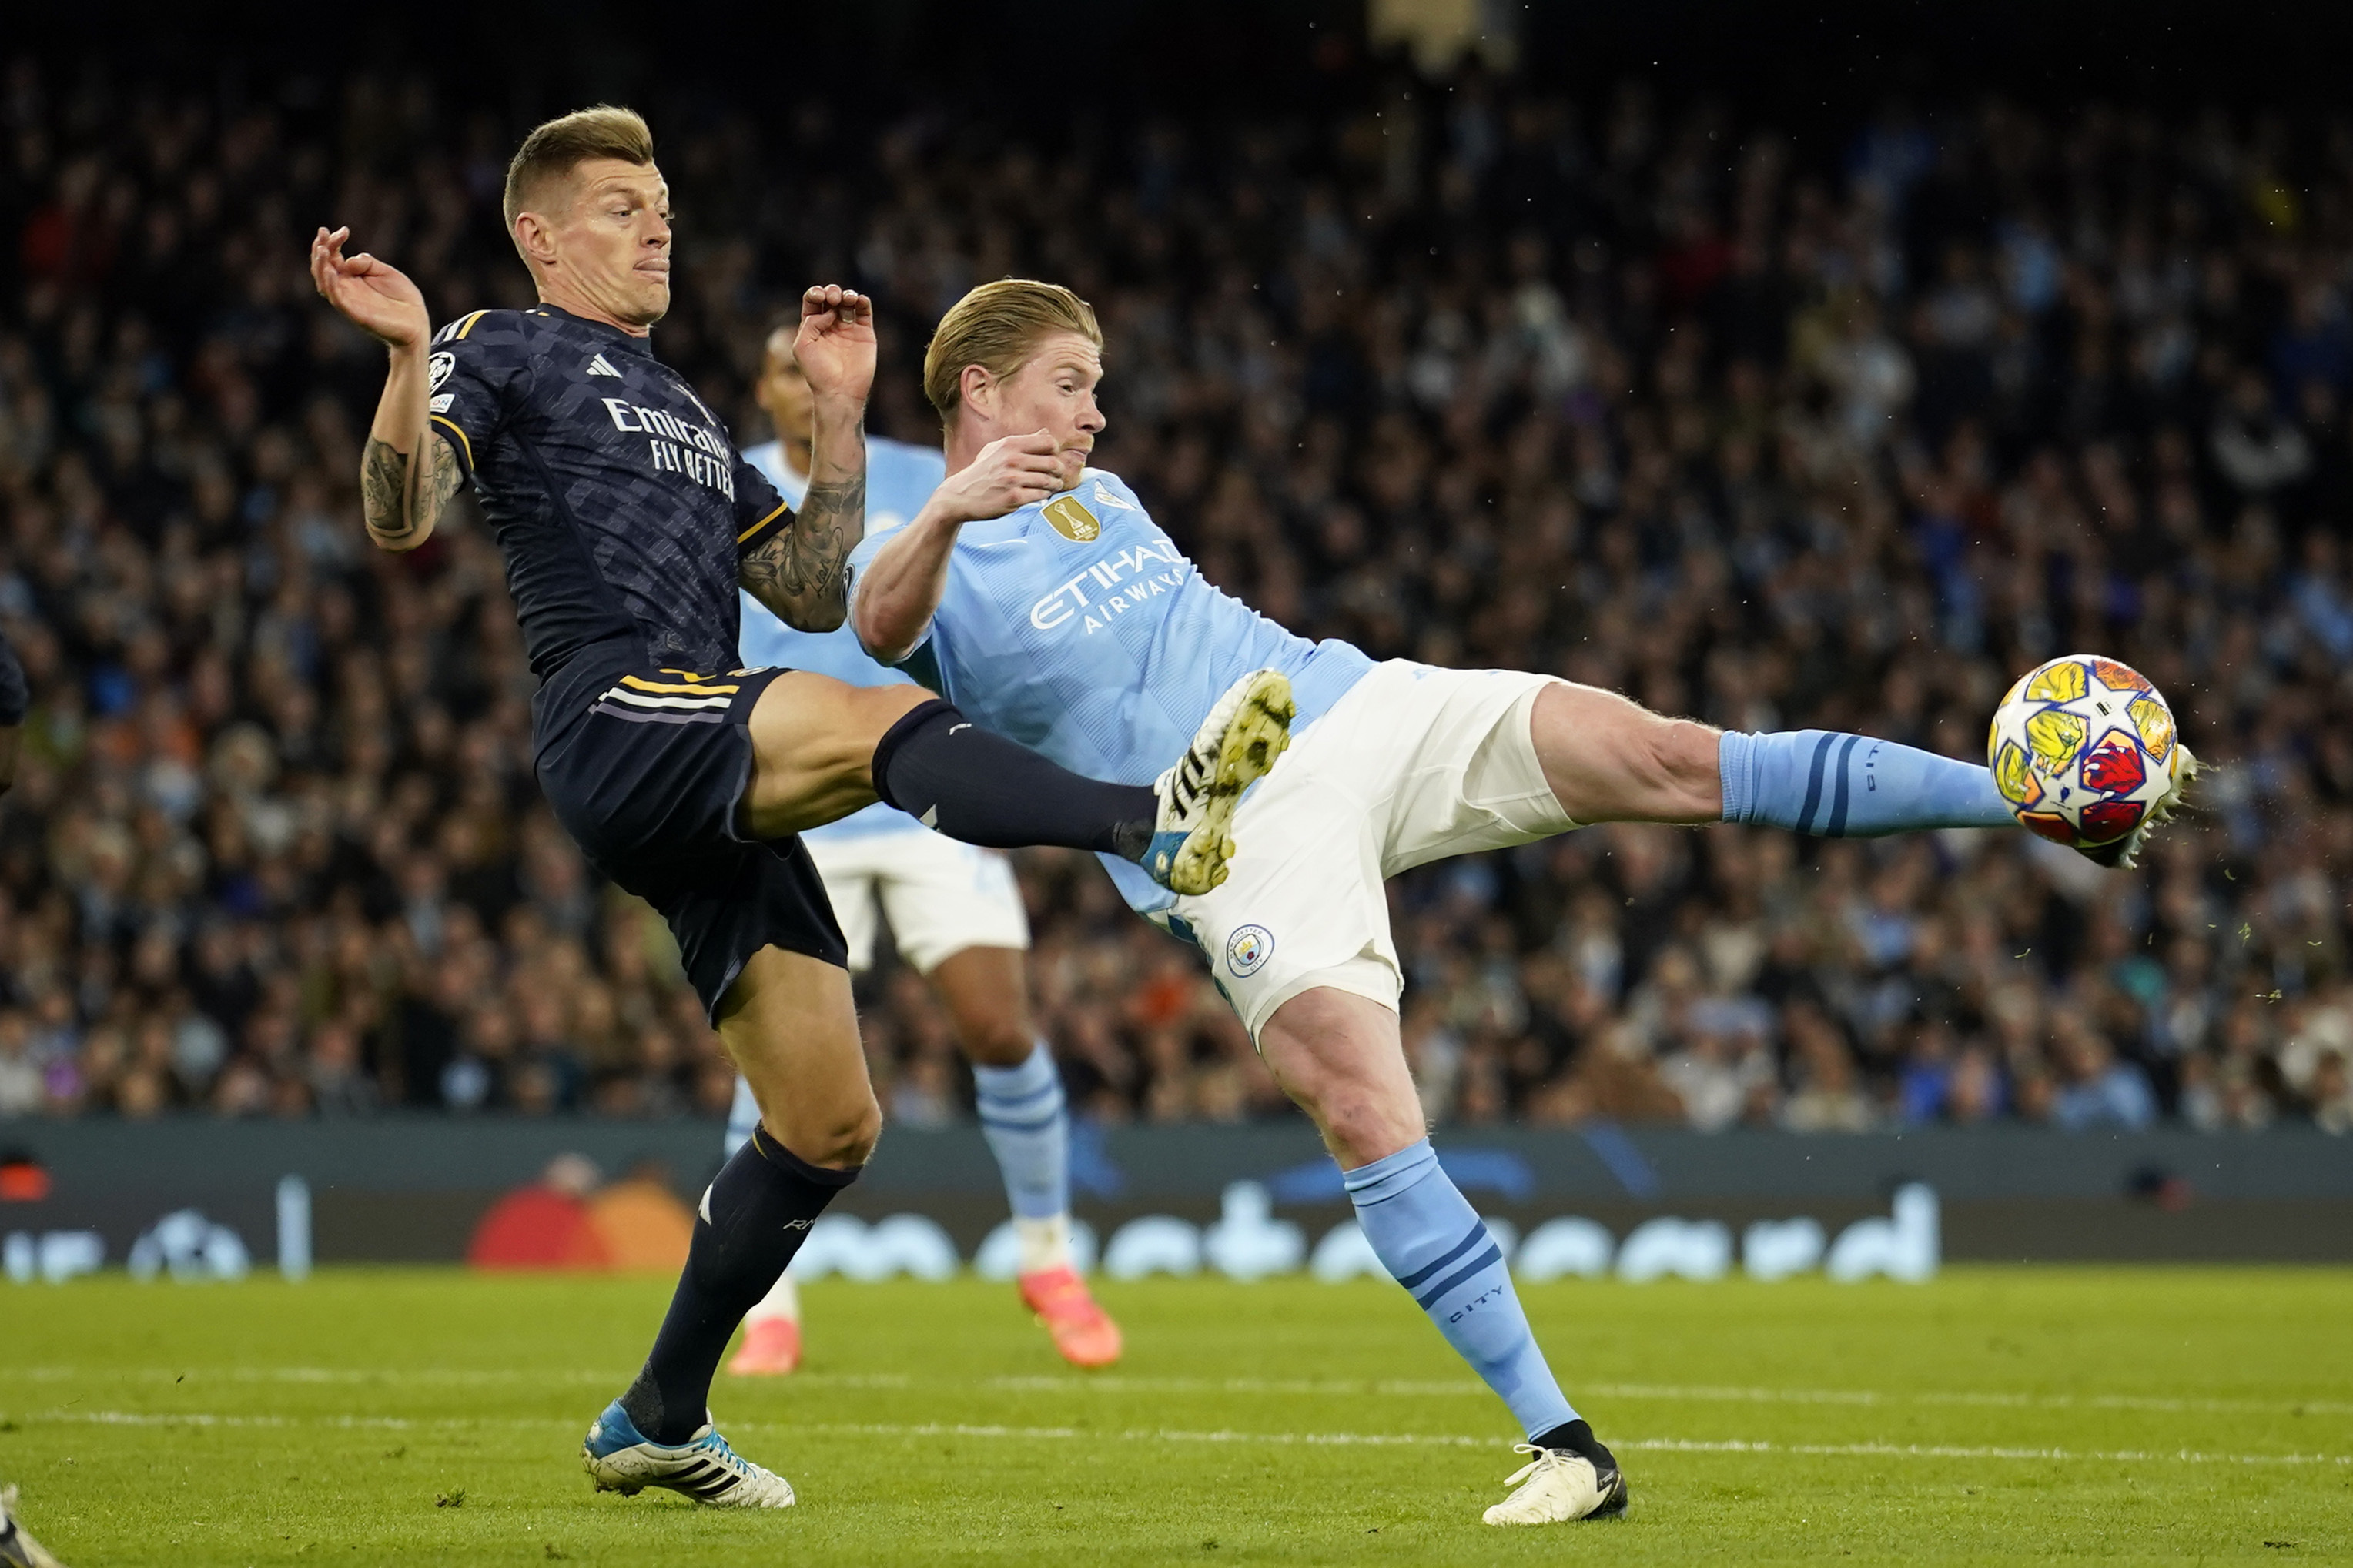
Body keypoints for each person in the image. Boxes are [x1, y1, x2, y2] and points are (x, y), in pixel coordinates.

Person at [849, 278, 2194, 1527]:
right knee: (1363, 1103)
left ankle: (2027, 799)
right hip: (1229, 828)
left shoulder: (1109, 494)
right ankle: (1567, 1446)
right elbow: (874, 629)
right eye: (1074, 383)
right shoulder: (930, 554)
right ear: (980, 387)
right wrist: (952, 513)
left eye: (1097, 388)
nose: (1097, 411)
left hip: (1348, 702)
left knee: (1663, 753)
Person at [307, 112, 1291, 1509]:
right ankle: (1153, 823)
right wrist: (408, 358)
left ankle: (657, 1412)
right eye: (617, 208)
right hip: (620, 708)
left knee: (830, 1122)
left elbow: (822, 591)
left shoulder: (696, 415)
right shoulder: (498, 344)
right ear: (538, 237)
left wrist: (838, 419)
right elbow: (401, 513)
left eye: (661, 204)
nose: (657, 225)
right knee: (886, 722)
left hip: (708, 760)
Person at [719, 325, 1119, 1377]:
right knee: (778, 1068)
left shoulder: (914, 474)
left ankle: (1048, 1257)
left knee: (997, 1023)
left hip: (920, 781)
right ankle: (769, 1306)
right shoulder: (728, 486)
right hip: (795, 803)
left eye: (817, 372)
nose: (805, 389)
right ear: (765, 390)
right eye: (784, 374)